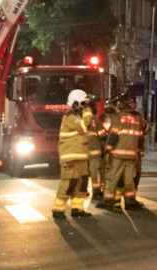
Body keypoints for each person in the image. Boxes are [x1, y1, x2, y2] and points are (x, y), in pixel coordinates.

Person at [52, 90, 92, 219]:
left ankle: (77, 209)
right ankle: (58, 209)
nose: (86, 105)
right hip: (70, 157)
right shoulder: (70, 116)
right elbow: (84, 126)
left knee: (82, 184)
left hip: (80, 156)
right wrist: (88, 112)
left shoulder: (76, 116)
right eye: (84, 103)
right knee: (68, 183)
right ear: (76, 103)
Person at [102, 95, 144, 211]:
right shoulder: (137, 118)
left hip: (118, 153)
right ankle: (130, 202)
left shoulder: (117, 117)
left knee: (114, 177)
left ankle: (108, 201)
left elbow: (114, 135)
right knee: (129, 180)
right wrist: (140, 150)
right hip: (131, 154)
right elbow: (140, 137)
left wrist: (108, 148)